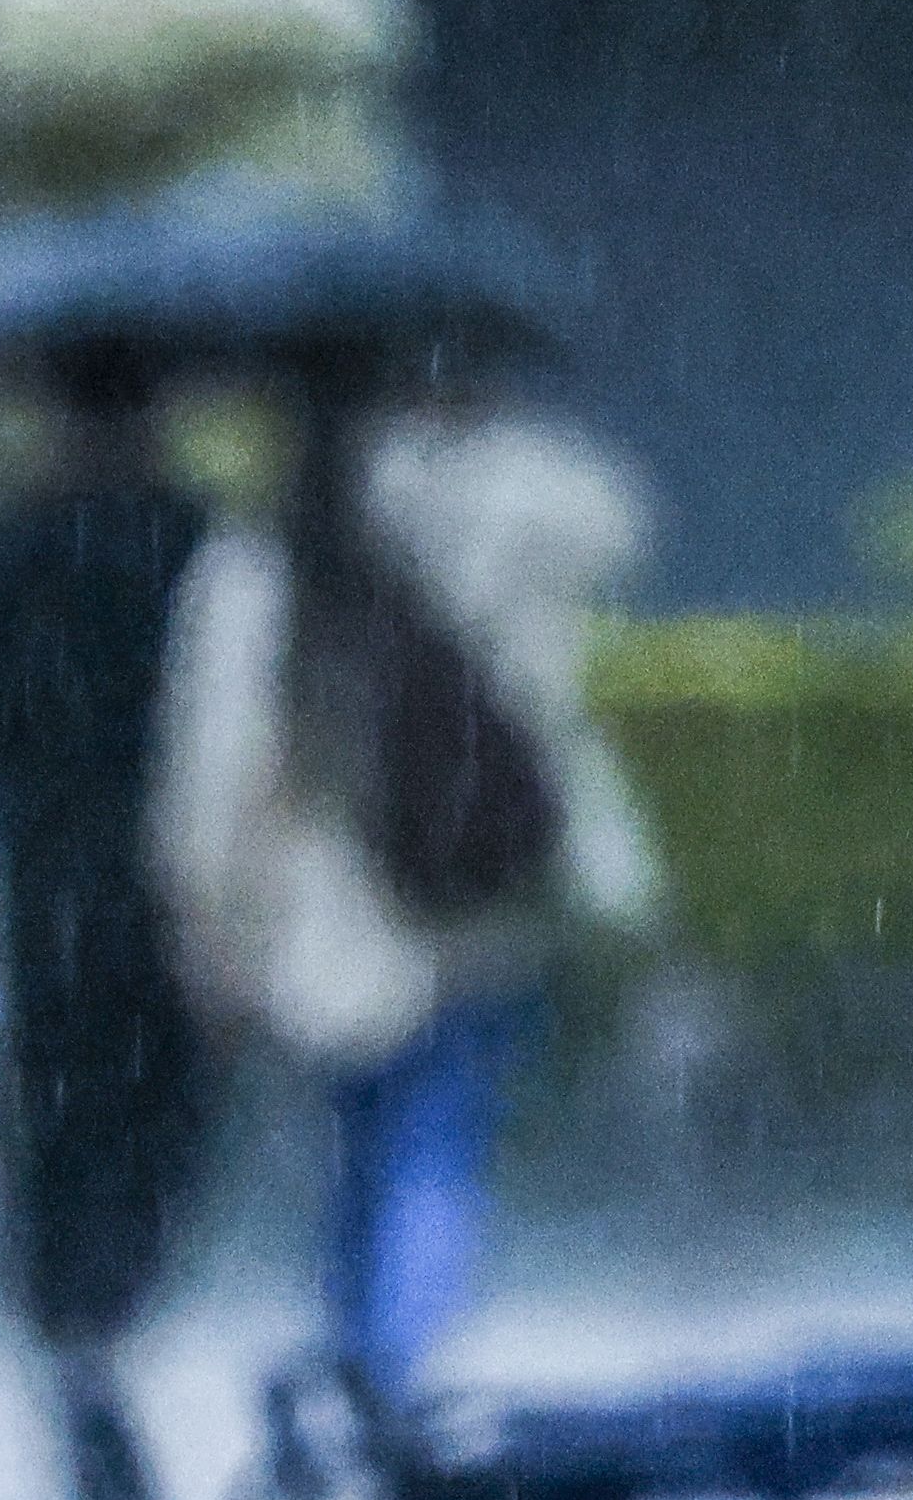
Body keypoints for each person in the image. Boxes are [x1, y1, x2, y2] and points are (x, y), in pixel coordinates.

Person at [155, 358, 660, 1401]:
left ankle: (372, 1364)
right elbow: (616, 525)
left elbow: (218, 770)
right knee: (440, 1135)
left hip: (338, 917)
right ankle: (400, 1363)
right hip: (483, 890)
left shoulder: (263, 555)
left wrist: (213, 920)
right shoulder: (510, 509)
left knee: (360, 1146)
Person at [0, 332, 220, 1500]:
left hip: (40, 887)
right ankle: (106, 1332)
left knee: (58, 1131)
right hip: (171, 883)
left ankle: (76, 1354)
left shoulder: (2, 548)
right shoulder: (197, 543)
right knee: (155, 1129)